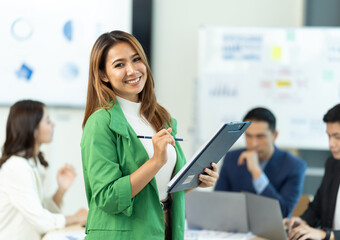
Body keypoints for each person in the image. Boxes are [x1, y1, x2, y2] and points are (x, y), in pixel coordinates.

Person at [80, 30, 219, 240]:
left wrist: (196, 181)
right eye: (119, 65)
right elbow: (107, 199)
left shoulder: (160, 118)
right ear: (103, 75)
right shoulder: (100, 122)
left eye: (136, 60)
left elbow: (161, 189)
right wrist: (155, 161)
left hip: (164, 228)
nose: (132, 70)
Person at [0, 100, 87, 240]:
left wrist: (61, 190)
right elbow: (41, 220)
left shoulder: (32, 163)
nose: (53, 124)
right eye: (47, 121)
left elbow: (42, 211)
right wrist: (76, 218)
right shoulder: (16, 167)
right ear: (33, 129)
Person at [285, 101, 340, 240]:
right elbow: (318, 206)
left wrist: (325, 235)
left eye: (338, 137)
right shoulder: (333, 164)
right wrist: (303, 221)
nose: (331, 143)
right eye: (329, 136)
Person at [215, 107, 306, 218]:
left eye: (260, 136)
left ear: (274, 135)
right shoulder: (232, 158)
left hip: (271, 232)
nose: (254, 144)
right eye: (248, 136)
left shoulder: (294, 166)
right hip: (235, 227)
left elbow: (283, 211)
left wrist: (256, 172)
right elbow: (218, 202)